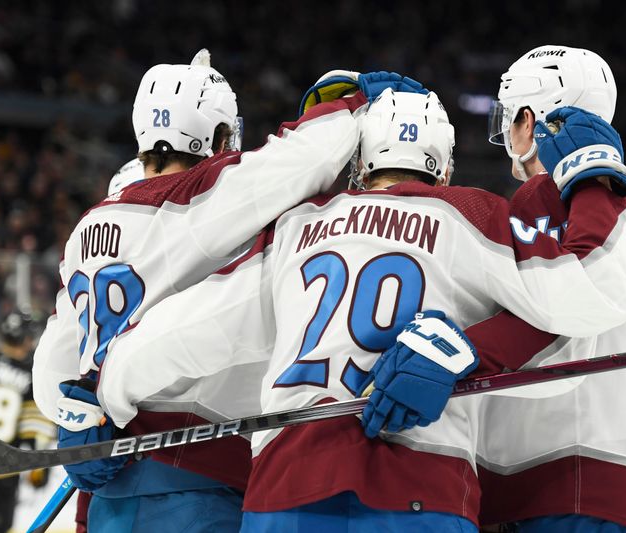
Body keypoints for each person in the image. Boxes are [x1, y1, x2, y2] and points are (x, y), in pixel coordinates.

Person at [96, 73, 626, 531]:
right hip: (419, 488)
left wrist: (104, 386)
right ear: (444, 166)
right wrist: (594, 179)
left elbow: (187, 329)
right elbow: (591, 294)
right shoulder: (475, 215)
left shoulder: (296, 226)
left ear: (361, 161)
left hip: (285, 490)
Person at [31, 51, 416, 532]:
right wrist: (355, 101)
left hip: (110, 486)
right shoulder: (198, 200)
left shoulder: (87, 230)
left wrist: (77, 417)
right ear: (215, 135)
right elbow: (299, 161)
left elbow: (53, 367)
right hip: (197, 479)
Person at [475, 45, 626, 533]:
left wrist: (458, 349)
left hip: (579, 481)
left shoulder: (552, 194)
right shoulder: (617, 200)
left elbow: (567, 316)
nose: (506, 135)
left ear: (530, 119)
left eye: (509, 118)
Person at [0, 310, 54, 533]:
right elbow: (35, 430)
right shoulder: (29, 378)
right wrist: (39, 469)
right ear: (26, 339)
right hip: (1, 472)